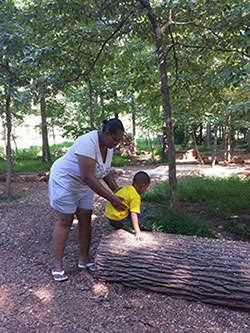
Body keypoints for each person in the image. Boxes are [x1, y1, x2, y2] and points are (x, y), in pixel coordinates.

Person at [49, 118, 126, 281]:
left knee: (85, 220)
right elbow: (87, 176)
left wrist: (116, 190)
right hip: (65, 181)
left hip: (84, 185)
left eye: (120, 140)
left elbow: (104, 171)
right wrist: (111, 199)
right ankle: (57, 266)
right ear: (106, 133)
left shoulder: (109, 146)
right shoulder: (87, 142)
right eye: (116, 139)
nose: (117, 143)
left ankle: (84, 259)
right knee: (65, 221)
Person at [105, 171, 151, 241]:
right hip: (116, 217)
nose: (145, 190)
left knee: (129, 207)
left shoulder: (127, 188)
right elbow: (134, 214)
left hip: (108, 214)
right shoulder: (136, 196)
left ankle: (114, 223)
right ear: (143, 186)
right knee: (139, 211)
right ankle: (138, 226)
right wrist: (137, 232)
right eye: (146, 188)